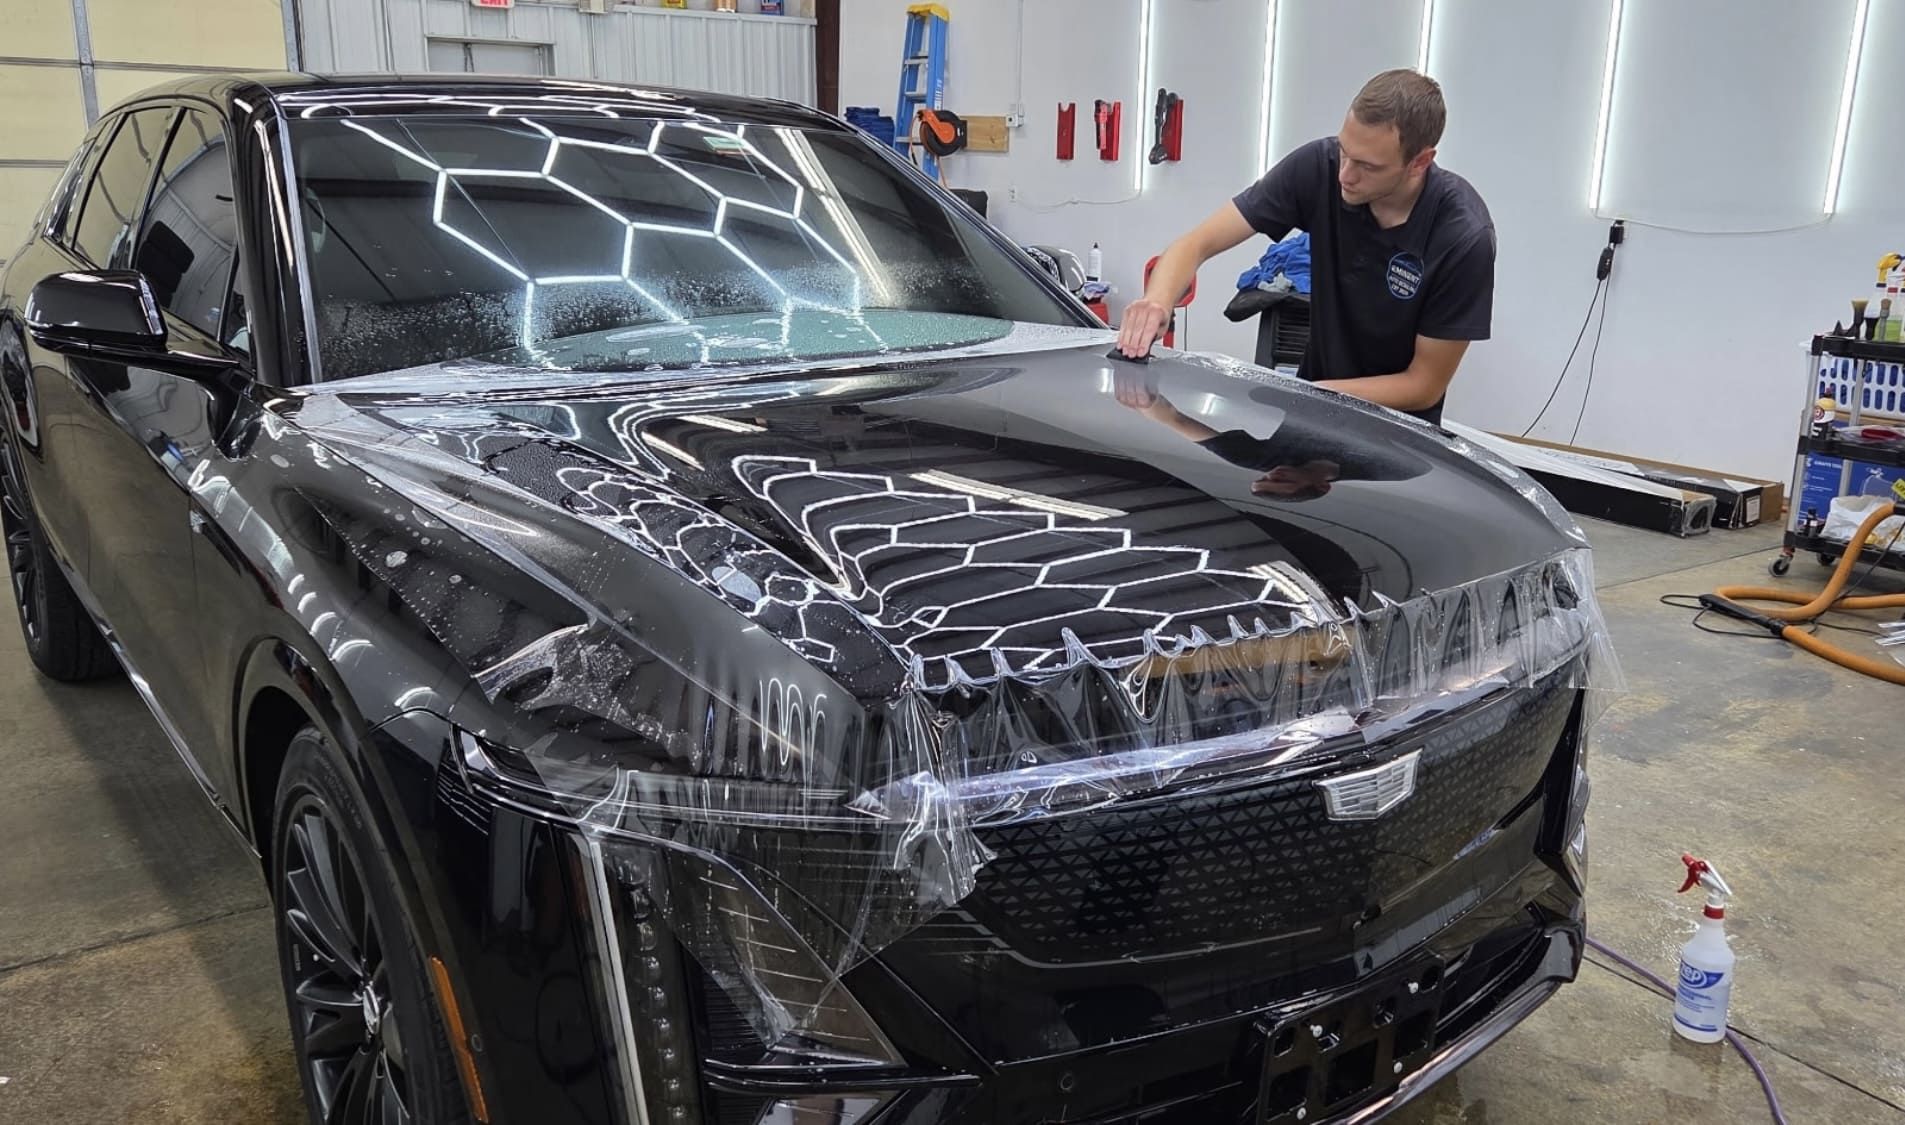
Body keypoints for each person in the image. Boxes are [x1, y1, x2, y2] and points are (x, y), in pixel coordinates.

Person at [1117, 69, 1494, 427]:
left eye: (1368, 166)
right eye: (1345, 151)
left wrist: (1299, 394)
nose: (1345, 174)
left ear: (1420, 162)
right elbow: (1196, 243)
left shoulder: (1462, 237)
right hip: (1309, 415)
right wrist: (1157, 300)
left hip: (1397, 439)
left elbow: (1422, 385)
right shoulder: (1319, 168)